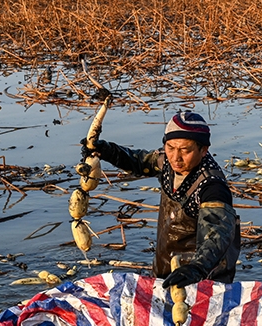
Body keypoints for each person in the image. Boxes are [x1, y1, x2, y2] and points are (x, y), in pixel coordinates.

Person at [83, 111, 240, 288]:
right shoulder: (166, 162)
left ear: (203, 150)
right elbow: (139, 162)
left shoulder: (212, 187)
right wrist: (106, 151)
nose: (176, 157)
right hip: (166, 262)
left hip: (203, 273)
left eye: (185, 150)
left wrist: (197, 268)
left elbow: (217, 234)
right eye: (171, 147)